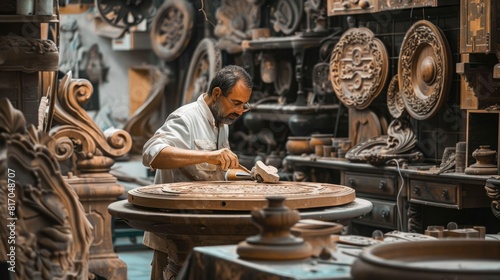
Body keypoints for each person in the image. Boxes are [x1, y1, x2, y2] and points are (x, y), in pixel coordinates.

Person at [142, 65, 253, 279]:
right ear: (217, 93)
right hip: (173, 230)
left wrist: (244, 174)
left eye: (244, 105)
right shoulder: (186, 118)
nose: (240, 111)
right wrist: (207, 156)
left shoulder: (222, 122)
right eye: (236, 103)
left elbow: (216, 167)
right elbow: (151, 154)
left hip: (200, 226)